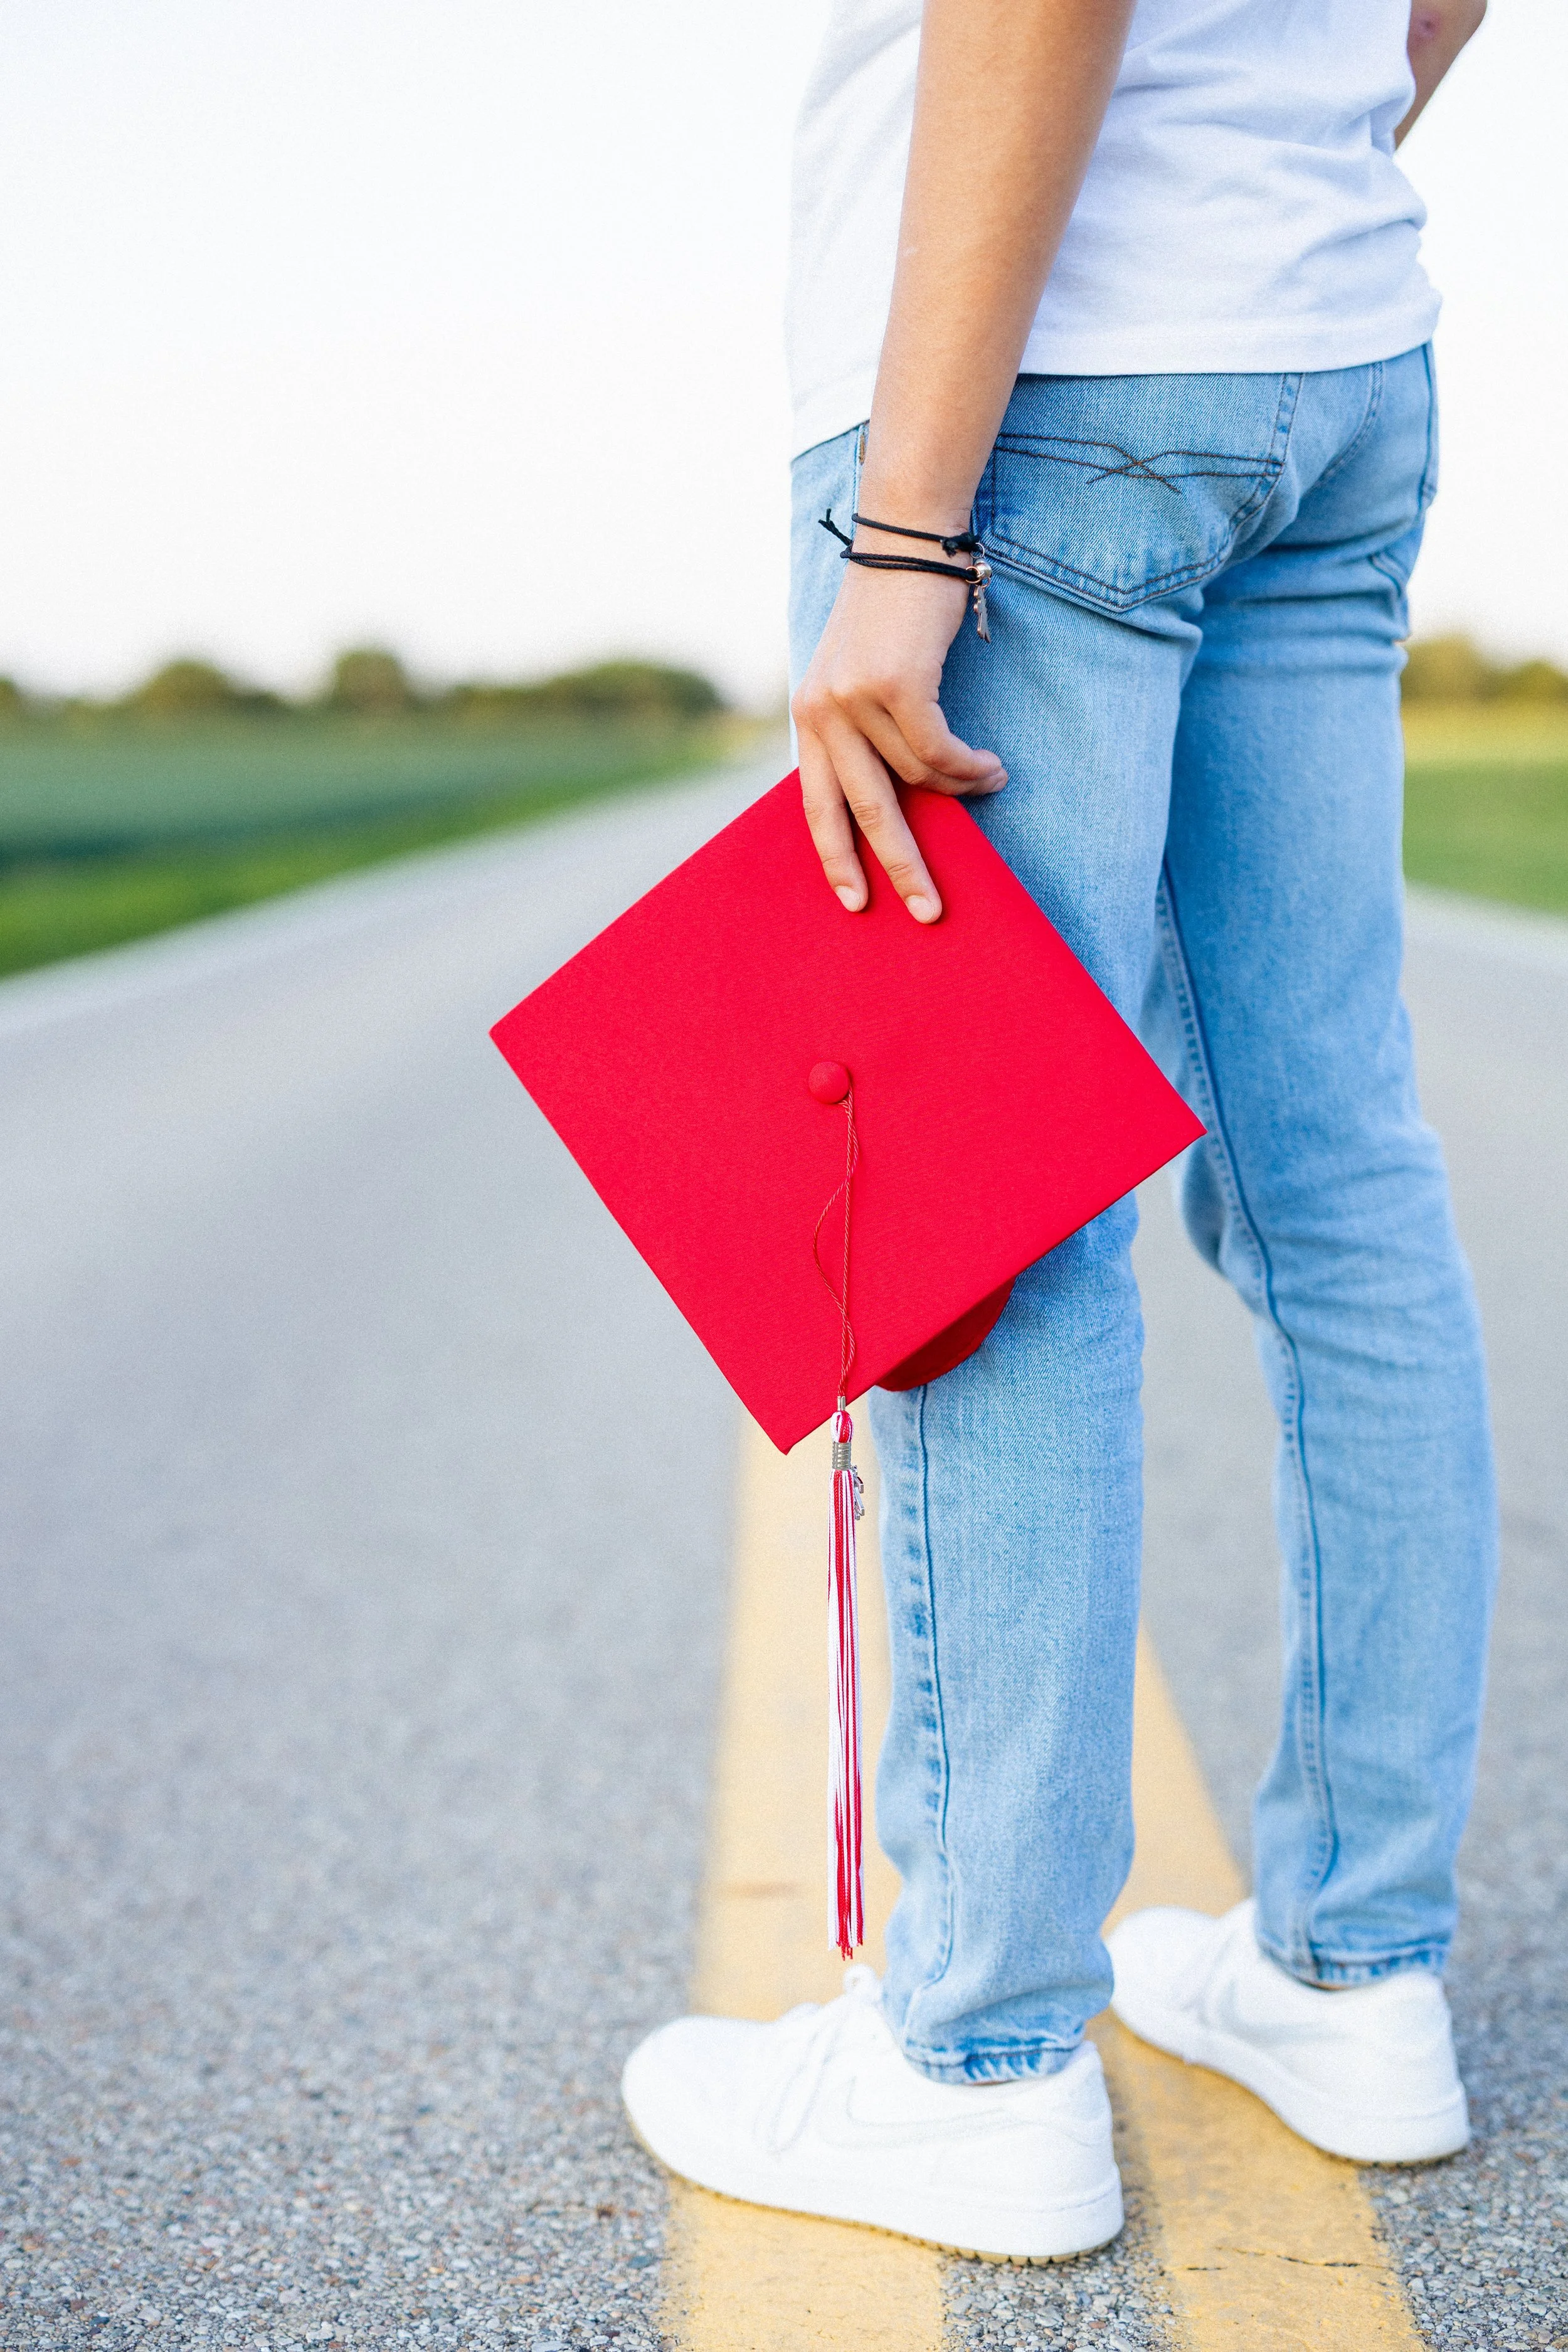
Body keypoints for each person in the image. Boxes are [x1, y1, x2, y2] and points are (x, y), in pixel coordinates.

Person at [622, 0, 1495, 2261]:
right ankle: (1352, 1967)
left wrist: (908, 526)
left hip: (1044, 388)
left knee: (979, 1201)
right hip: (1331, 355)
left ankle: (973, 2057)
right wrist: (1283, 159)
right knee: (1338, 1176)